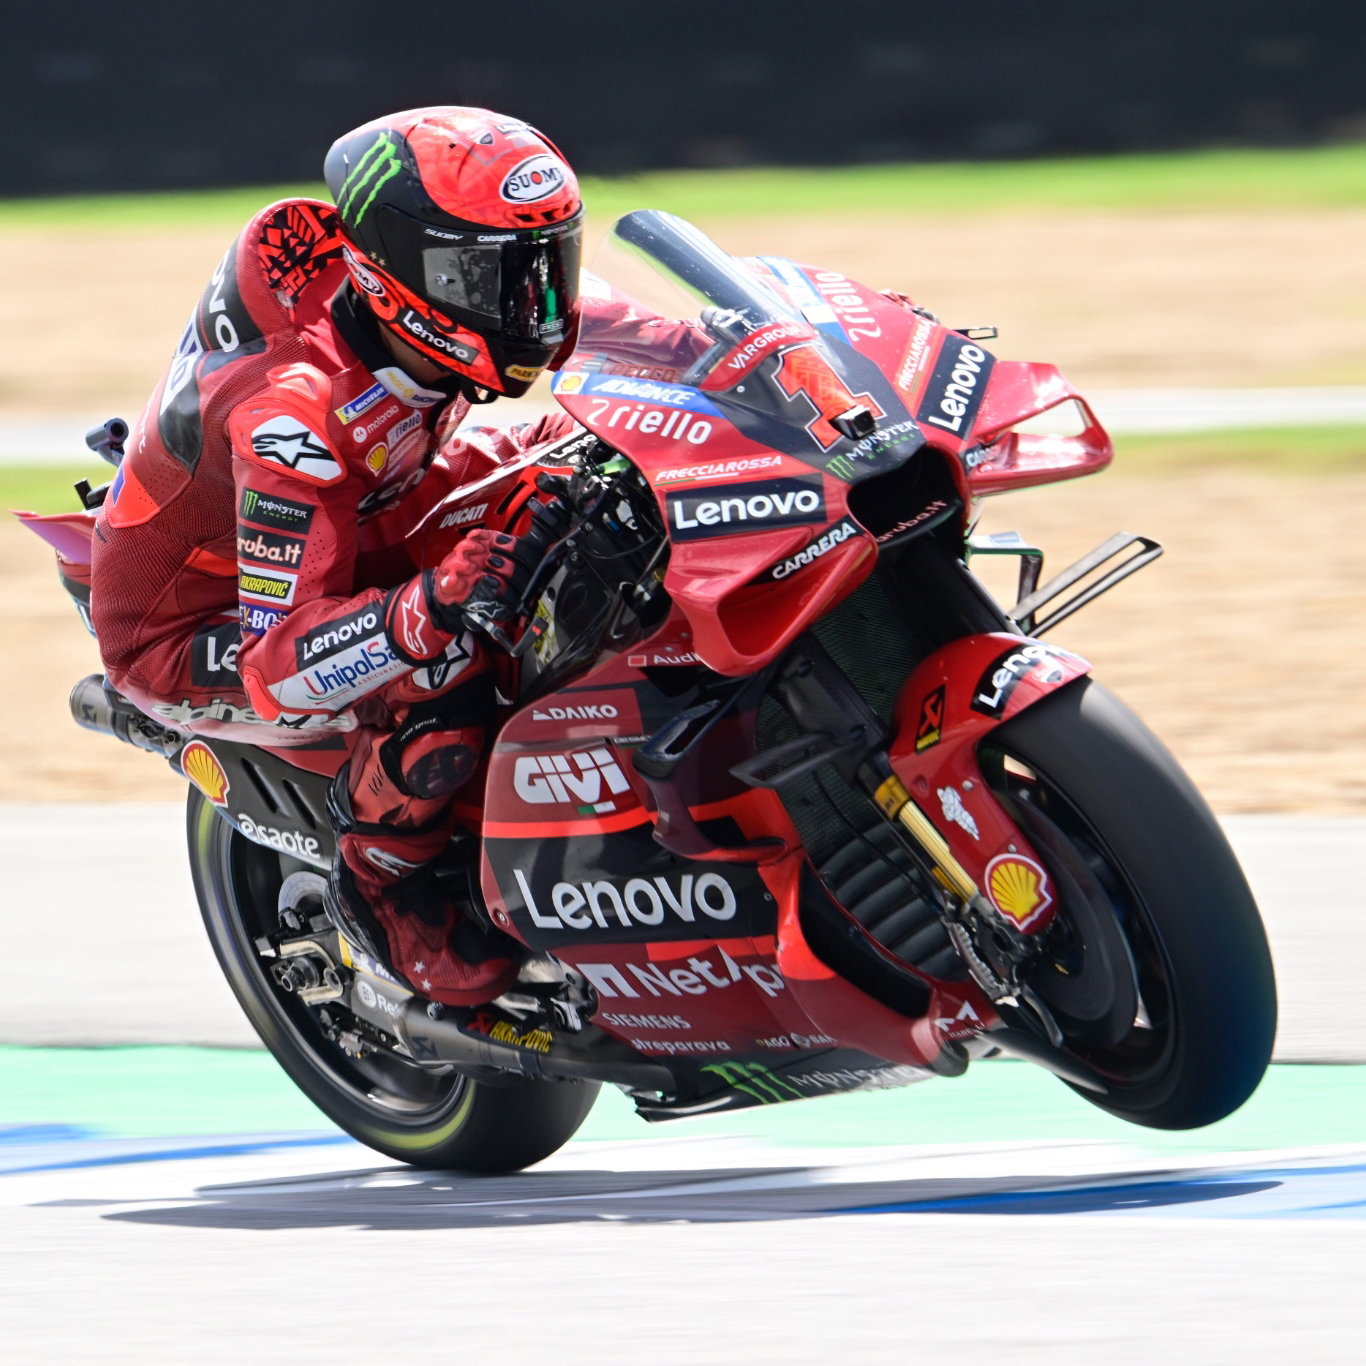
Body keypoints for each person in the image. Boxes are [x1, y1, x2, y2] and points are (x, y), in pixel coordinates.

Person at [90, 106, 587, 1007]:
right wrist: (424, 606)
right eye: (496, 277)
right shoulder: (297, 420)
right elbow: (279, 667)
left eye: (549, 267)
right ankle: (384, 886)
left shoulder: (396, 305)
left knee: (588, 470)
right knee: (443, 655)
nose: (535, 306)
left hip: (373, 502)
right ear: (399, 274)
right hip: (206, 617)